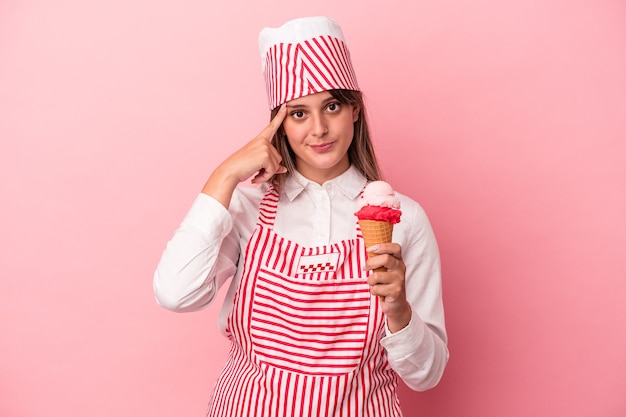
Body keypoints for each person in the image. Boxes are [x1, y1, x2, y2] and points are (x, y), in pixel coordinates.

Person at [154, 16, 448, 417]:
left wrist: (398, 309)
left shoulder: (403, 219)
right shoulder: (247, 210)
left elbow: (426, 375)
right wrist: (224, 176)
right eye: (298, 114)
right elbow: (175, 294)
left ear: (355, 110)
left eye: (331, 106)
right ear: (279, 125)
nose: (320, 129)